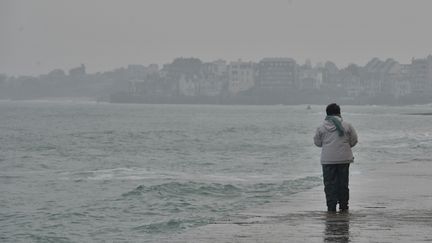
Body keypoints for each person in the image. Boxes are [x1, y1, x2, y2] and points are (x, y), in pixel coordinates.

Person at [314, 103, 358, 212]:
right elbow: (354, 140)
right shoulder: (347, 125)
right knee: (343, 184)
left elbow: (318, 143)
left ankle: (331, 207)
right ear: (339, 113)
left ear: (327, 113)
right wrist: (345, 146)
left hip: (328, 160)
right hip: (344, 158)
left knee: (329, 185)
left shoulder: (321, 127)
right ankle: (344, 206)